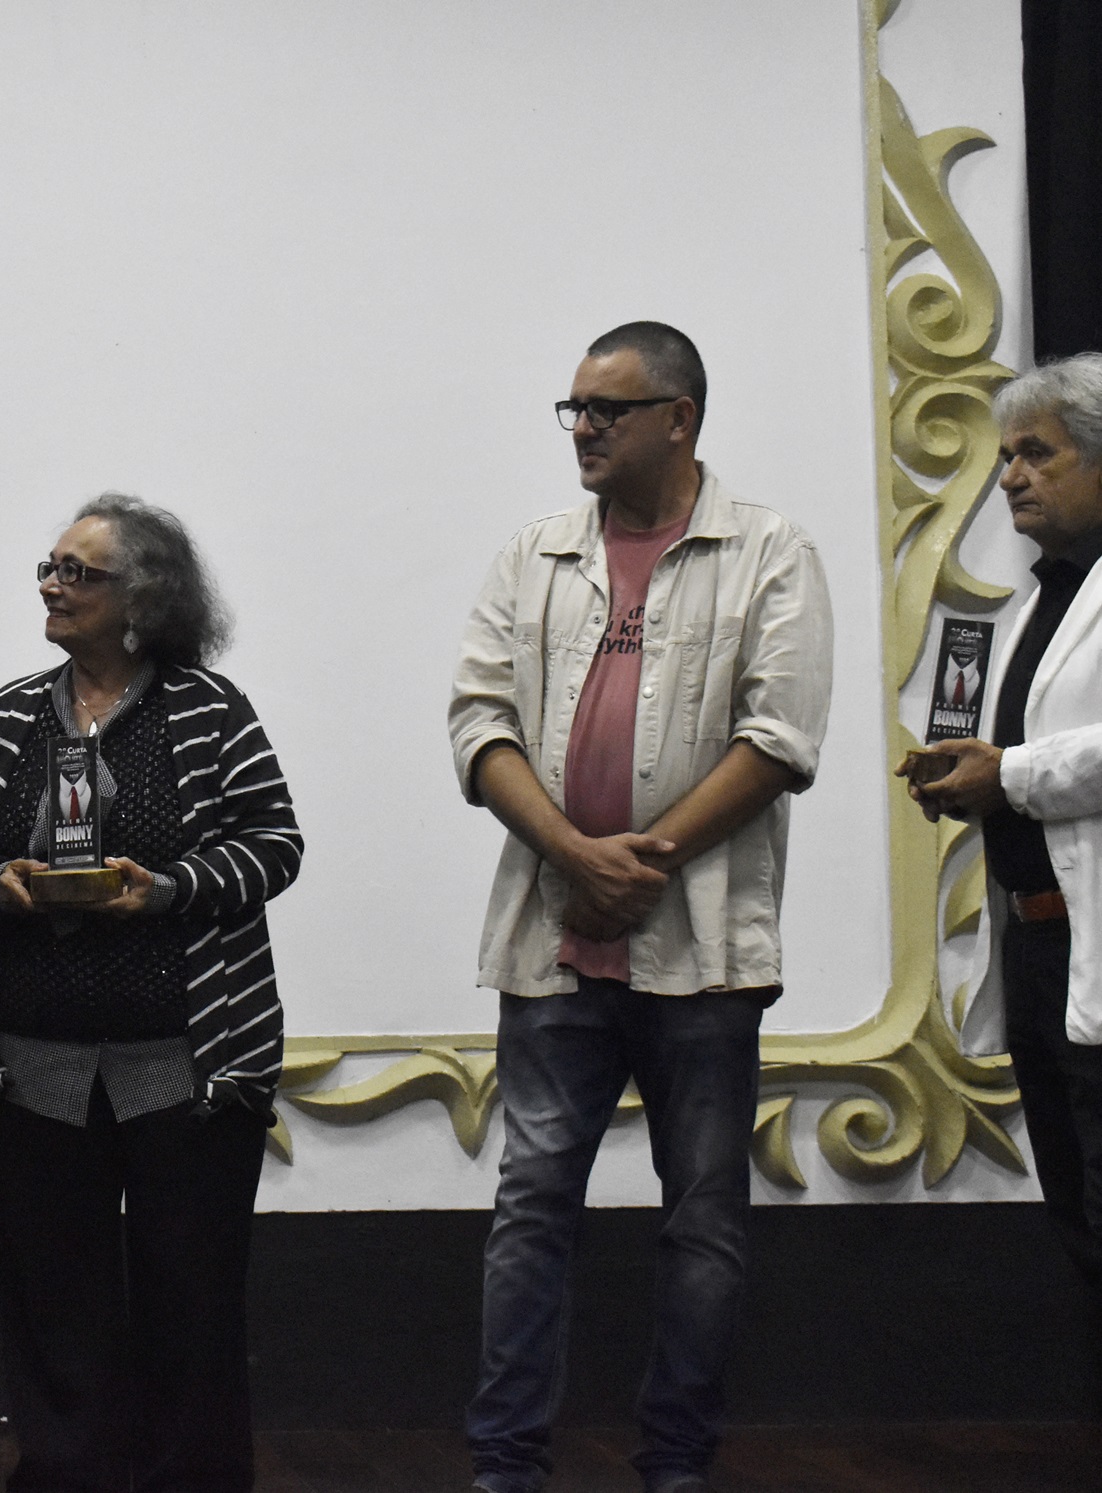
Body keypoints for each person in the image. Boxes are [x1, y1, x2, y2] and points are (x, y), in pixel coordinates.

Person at [448, 323, 833, 1493]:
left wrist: (640, 864)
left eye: (608, 409)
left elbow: (780, 737)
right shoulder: (536, 554)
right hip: (553, 939)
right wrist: (575, 854)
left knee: (703, 1215)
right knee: (530, 1204)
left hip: (702, 948)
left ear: (681, 418)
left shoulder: (770, 552)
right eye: (574, 408)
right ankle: (505, 1461)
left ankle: (676, 1457)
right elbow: (478, 720)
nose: (584, 429)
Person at [0, 495, 302, 1493]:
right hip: (35, 1064)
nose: (52, 586)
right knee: (54, 1296)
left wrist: (167, 887)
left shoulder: (210, 710)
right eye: (49, 567)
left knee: (191, 1294)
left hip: (186, 1063)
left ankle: (189, 1476)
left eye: (77, 572)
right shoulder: (10, 715)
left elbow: (276, 844)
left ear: (144, 596)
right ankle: (67, 1472)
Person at [900, 352, 1102, 1409]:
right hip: (1038, 942)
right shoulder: (1043, 597)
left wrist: (1008, 774)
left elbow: (1046, 763)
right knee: (1075, 1212)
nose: (1012, 476)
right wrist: (963, 775)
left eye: (1037, 454)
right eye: (1006, 455)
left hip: (1088, 938)